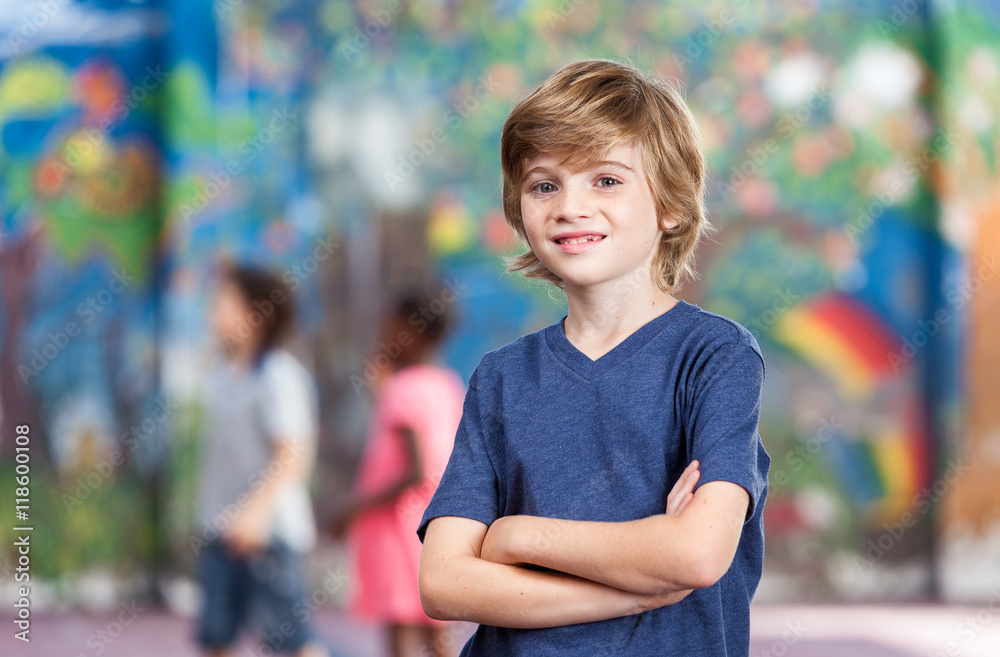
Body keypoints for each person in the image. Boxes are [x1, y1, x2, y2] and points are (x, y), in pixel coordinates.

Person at [416, 58, 771, 656]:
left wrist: (516, 536)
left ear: (671, 206)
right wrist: (636, 587)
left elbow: (697, 553)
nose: (570, 206)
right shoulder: (501, 377)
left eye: (605, 180)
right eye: (544, 184)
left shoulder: (717, 357)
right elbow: (443, 583)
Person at [193, 262, 326, 657]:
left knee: (289, 644)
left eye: (222, 302)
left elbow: (294, 455)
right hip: (221, 531)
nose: (212, 311)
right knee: (216, 638)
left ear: (255, 316)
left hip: (271, 537)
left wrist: (255, 513)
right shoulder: (222, 374)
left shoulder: (279, 376)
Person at [334, 287, 466, 657]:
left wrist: (352, 509)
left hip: (395, 528)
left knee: (400, 634)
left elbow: (414, 470)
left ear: (411, 331)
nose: (382, 333)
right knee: (437, 631)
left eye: (390, 325)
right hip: (430, 526)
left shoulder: (402, 389)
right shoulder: (446, 384)